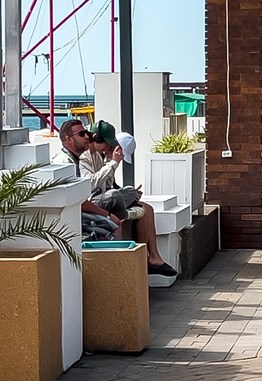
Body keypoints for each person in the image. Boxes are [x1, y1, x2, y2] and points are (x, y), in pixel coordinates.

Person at [62, 118, 177, 277]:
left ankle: (153, 258)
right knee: (115, 196)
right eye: (82, 134)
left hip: (100, 198)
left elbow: (107, 185)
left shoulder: (98, 156)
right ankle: (140, 261)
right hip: (92, 203)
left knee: (144, 206)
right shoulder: (81, 158)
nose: (86, 137)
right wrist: (112, 163)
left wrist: (110, 162)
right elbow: (90, 187)